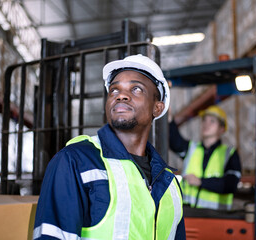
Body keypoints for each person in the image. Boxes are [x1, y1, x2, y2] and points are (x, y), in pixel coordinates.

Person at [33, 54, 186, 239]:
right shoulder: (75, 162)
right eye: (114, 90)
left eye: (136, 89)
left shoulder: (170, 183)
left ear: (157, 108)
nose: (121, 95)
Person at [169, 105, 241, 210]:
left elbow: (231, 184)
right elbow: (174, 141)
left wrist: (201, 182)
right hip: (189, 214)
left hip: (217, 217)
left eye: (212, 121)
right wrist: (169, 119)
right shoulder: (192, 148)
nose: (206, 124)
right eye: (204, 120)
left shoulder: (229, 153)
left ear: (221, 129)